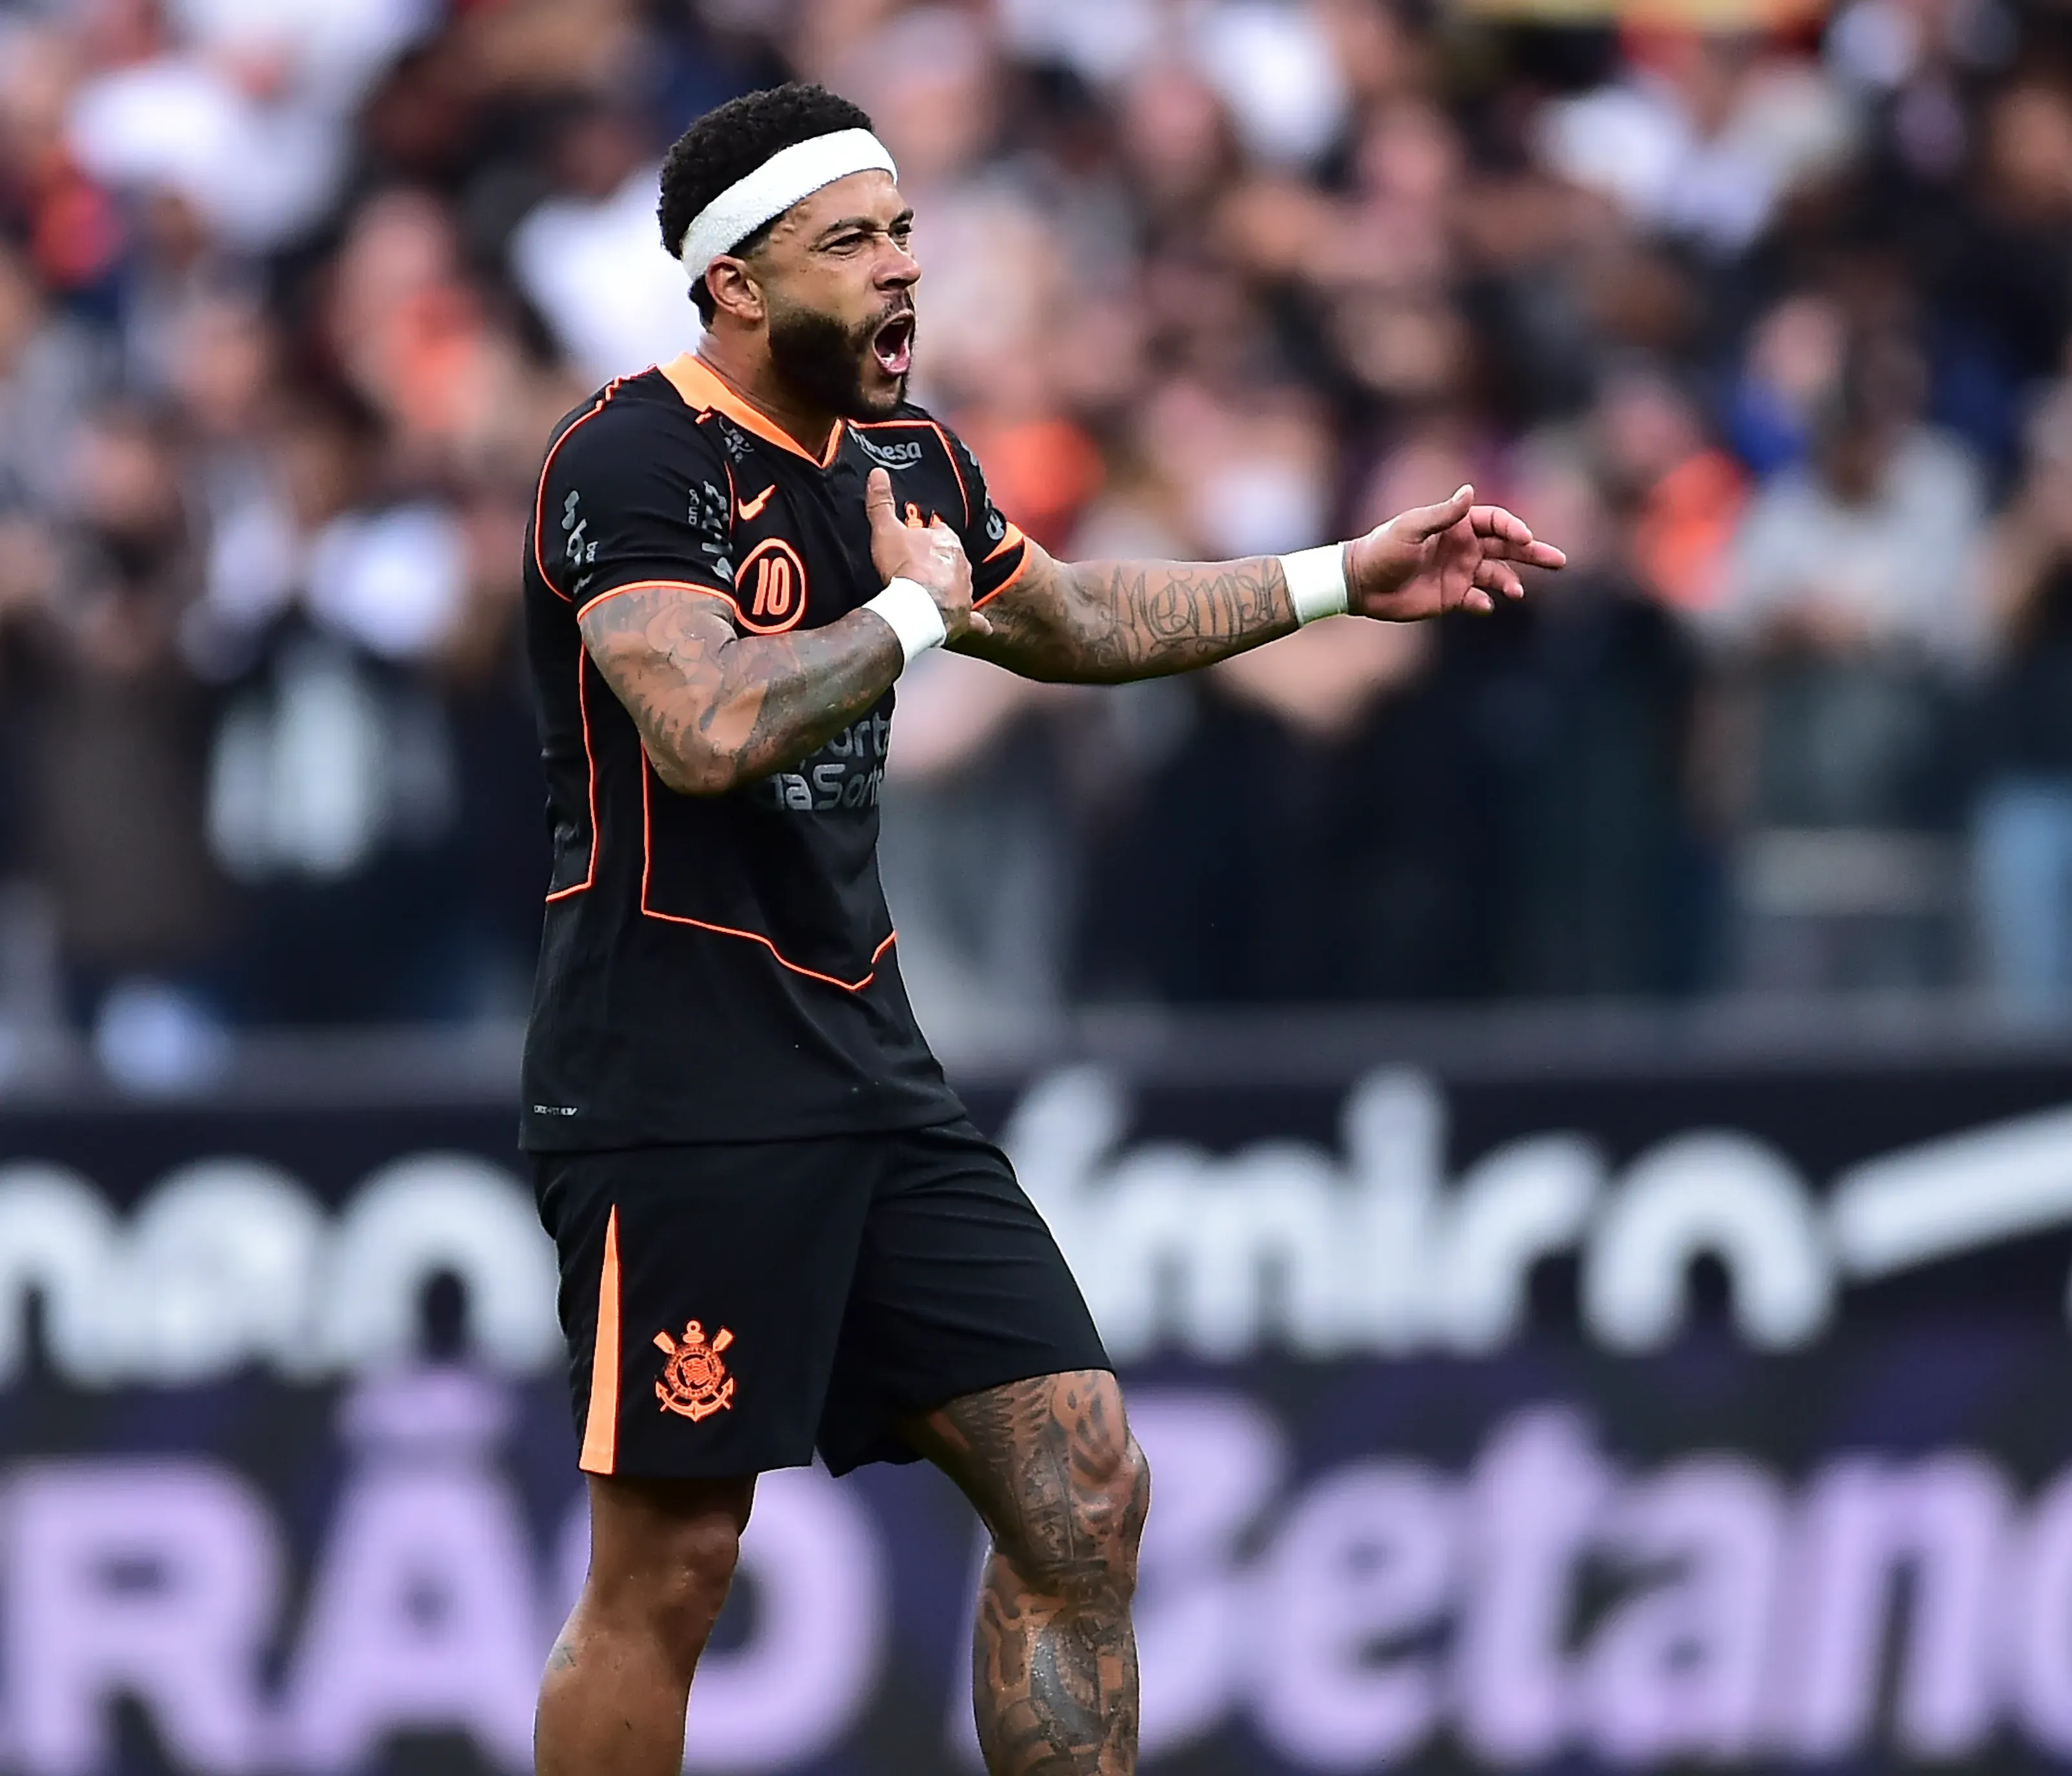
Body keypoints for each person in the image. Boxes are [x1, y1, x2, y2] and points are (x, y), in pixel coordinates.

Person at [520, 83, 1562, 1776]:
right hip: (675, 1078)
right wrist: (910, 613)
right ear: (735, 284)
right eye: (850, 242)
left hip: (868, 1064)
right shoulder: (629, 456)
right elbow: (702, 725)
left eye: (904, 230)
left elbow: (1070, 616)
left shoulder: (910, 462)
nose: (901, 268)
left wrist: (1336, 579)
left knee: (1081, 1486)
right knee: (675, 1563)